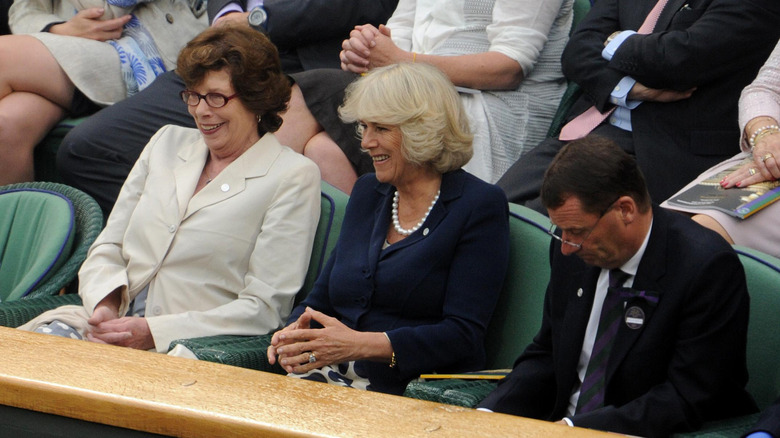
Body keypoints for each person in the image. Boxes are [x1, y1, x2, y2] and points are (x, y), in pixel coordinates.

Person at [19, 26, 322, 356]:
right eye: (193, 95)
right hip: (106, 328)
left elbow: (265, 308)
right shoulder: (166, 142)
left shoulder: (292, 176)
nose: (201, 111)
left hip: (188, 350)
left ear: (256, 100)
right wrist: (105, 304)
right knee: (30, 361)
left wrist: (154, 332)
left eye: (216, 97)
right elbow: (109, 246)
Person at [477, 135, 755, 437]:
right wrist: (489, 413)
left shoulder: (705, 268)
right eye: (562, 231)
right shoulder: (570, 252)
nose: (567, 246)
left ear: (625, 209)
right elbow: (548, 352)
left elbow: (688, 397)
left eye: (578, 231)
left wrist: (577, 429)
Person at [266, 62, 510, 395]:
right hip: (326, 375)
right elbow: (321, 298)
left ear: (422, 130)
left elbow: (462, 335)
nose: (365, 142)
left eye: (380, 129)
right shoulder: (369, 191)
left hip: (409, 389)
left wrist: (358, 344)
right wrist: (295, 331)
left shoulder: (479, 205)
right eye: (364, 127)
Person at [55, 0, 398, 217]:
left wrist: (260, 20)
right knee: (84, 149)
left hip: (313, 62)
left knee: (254, 184)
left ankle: (212, 242)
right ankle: (176, 241)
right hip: (223, 52)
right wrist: (228, 13)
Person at [495, 0, 780, 214]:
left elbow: (678, 58)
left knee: (550, 220)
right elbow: (578, 50)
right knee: (495, 207)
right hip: (592, 124)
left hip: (662, 149)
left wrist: (614, 39)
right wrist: (628, 89)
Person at [273, 0, 574, 194]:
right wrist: (367, 50)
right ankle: (362, 262)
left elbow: (509, 67)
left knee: (310, 90)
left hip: (486, 104)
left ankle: (241, 210)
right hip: (414, 88)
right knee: (322, 151)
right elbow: (398, 33)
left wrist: (401, 60)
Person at [0, 0, 207, 185]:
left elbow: (107, 11)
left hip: (146, 49)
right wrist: (57, 29)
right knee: (5, 125)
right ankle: (17, 225)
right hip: (66, 47)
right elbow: (25, 9)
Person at [661, 39, 780, 258]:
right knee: (658, 232)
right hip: (764, 157)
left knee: (688, 244)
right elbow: (764, 88)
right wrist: (766, 136)